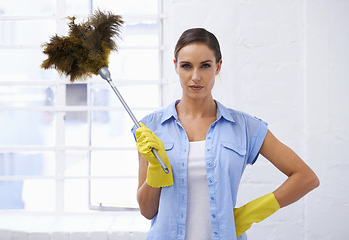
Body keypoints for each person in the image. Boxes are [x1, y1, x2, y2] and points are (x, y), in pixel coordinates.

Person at [131, 28, 319, 240]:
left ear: (218, 67)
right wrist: (155, 174)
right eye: (186, 66)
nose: (195, 77)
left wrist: (253, 212)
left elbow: (307, 178)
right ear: (175, 66)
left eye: (205, 66)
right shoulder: (150, 127)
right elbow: (147, 212)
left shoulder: (244, 127)